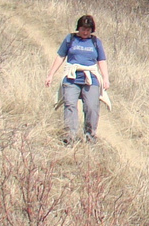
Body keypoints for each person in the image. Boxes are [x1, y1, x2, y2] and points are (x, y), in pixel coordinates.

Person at [45, 14, 109, 143]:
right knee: (70, 105)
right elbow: (60, 57)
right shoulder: (70, 39)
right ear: (78, 28)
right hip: (71, 77)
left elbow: (101, 60)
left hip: (91, 78)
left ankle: (90, 137)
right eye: (83, 29)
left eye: (88, 29)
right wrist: (51, 74)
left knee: (91, 107)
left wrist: (105, 78)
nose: (85, 32)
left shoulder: (96, 42)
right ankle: (69, 136)